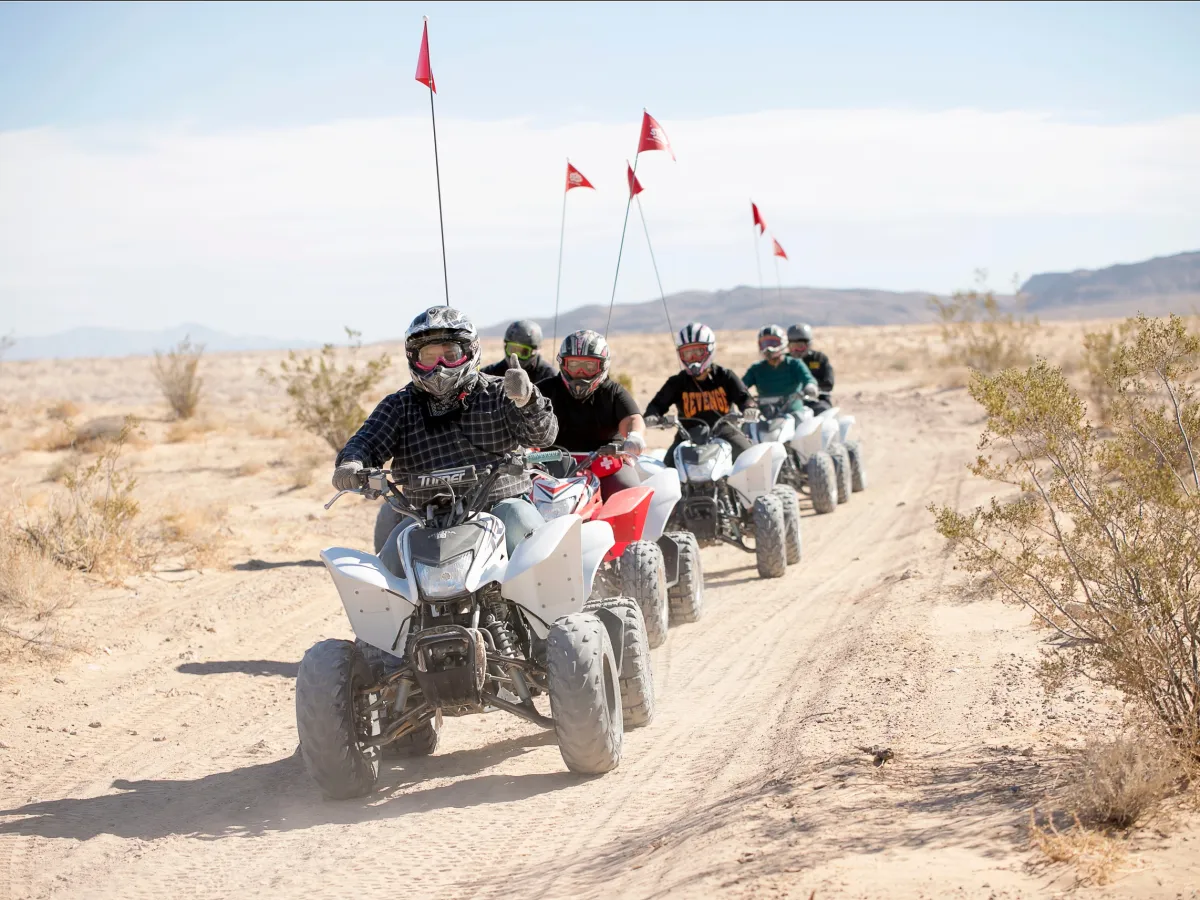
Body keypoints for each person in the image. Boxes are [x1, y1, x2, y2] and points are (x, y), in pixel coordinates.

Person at [333, 306, 559, 575]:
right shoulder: (399, 406)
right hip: (425, 517)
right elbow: (366, 441)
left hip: (499, 507)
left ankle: (547, 616)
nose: (439, 367)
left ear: (469, 352)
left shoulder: (499, 393)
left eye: (449, 355)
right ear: (413, 359)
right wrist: (352, 463)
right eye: (429, 357)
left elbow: (543, 436)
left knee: (527, 534)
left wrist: (528, 401)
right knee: (388, 569)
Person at [534, 329, 646, 500]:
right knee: (520, 493)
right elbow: (523, 417)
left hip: (606, 466)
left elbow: (632, 418)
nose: (580, 372)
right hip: (550, 468)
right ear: (563, 364)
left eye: (589, 366)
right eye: (574, 365)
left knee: (629, 491)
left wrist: (635, 436)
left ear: (602, 365)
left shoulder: (612, 392)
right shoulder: (544, 390)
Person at [644, 322, 758, 468]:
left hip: (725, 429)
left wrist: (749, 408)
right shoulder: (677, 382)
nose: (693, 358)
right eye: (687, 353)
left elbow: (745, 397)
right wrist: (652, 416)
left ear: (710, 350)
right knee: (668, 469)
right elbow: (657, 405)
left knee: (749, 459)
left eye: (698, 352)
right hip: (687, 434)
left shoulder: (725, 376)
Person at [742, 324, 819, 420]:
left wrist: (810, 387)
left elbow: (808, 378)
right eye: (764, 344)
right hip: (765, 415)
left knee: (802, 427)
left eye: (773, 343)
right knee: (746, 427)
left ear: (783, 342)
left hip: (792, 413)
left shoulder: (794, 364)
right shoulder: (756, 368)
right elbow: (741, 386)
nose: (768, 348)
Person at [481, 319, 557, 383]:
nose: (515, 358)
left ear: (534, 351)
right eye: (512, 350)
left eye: (523, 352)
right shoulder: (488, 374)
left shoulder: (549, 378)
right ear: (505, 346)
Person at [787, 323, 835, 400]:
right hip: (790, 402)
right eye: (792, 346)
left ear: (809, 345)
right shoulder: (785, 361)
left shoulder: (819, 359)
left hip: (817, 400)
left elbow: (828, 383)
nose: (796, 351)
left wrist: (811, 389)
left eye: (800, 346)